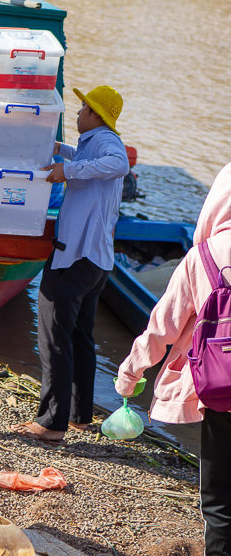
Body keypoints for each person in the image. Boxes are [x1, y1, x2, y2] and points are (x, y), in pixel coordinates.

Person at [116, 163, 231, 556]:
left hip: (222, 390)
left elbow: (160, 329)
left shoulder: (204, 257)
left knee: (220, 504)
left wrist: (130, 373)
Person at [12, 85, 129, 445]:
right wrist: (62, 152)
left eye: (82, 107)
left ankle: (52, 422)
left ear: (96, 114)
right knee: (80, 337)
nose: (77, 113)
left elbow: (118, 162)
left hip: (76, 257)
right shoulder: (93, 142)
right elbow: (84, 155)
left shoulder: (109, 142)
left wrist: (69, 170)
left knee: (54, 336)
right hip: (95, 261)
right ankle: (79, 415)